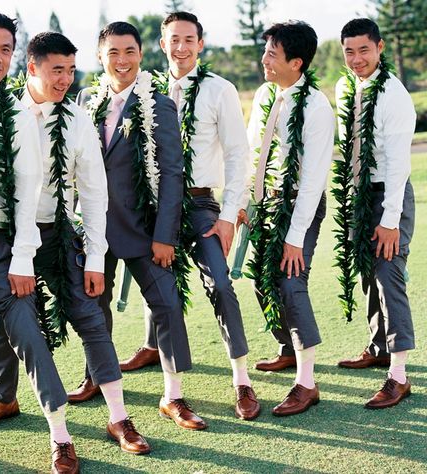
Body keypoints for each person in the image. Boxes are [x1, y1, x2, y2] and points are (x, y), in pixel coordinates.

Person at [0, 29, 151, 473]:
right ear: (32, 68)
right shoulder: (4, 112)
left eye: (72, 71)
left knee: (90, 316)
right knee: (5, 320)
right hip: (3, 238)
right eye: (58, 70)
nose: (66, 80)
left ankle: (119, 418)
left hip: (57, 235)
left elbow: (94, 194)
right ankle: (4, 397)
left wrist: (95, 257)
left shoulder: (75, 120)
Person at [119, 12, 260, 421]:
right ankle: (166, 377)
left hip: (200, 204)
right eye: (172, 40)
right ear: (161, 45)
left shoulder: (220, 90)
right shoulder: (143, 91)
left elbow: (237, 154)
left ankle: (241, 379)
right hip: (153, 206)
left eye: (188, 40)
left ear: (200, 44)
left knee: (220, 283)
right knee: (160, 288)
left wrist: (231, 214)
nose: (180, 47)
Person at [72, 21, 207, 431]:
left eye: (129, 51)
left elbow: (171, 173)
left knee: (167, 304)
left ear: (141, 55)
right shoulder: (83, 99)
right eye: (113, 52)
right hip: (94, 230)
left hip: (144, 231)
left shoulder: (159, 103)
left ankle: (174, 394)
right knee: (94, 309)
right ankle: (95, 377)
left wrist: (165, 236)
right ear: (100, 57)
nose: (122, 60)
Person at [244, 21, 334, 416]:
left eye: (272, 54)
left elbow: (314, 178)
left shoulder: (315, 107)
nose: (264, 58)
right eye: (265, 51)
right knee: (263, 283)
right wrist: (248, 202)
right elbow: (252, 152)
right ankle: (286, 348)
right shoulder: (266, 94)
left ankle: (306, 382)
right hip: (268, 203)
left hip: (301, 204)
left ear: (296, 62)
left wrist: (295, 236)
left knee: (289, 280)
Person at [335, 18, 416, 409]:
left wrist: (390, 221)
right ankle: (378, 347)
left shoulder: (393, 95)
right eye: (349, 51)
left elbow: (399, 165)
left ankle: (398, 376)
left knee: (388, 276)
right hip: (361, 195)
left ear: (380, 48)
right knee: (368, 272)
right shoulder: (350, 87)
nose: (356, 59)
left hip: (390, 195)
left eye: (364, 50)